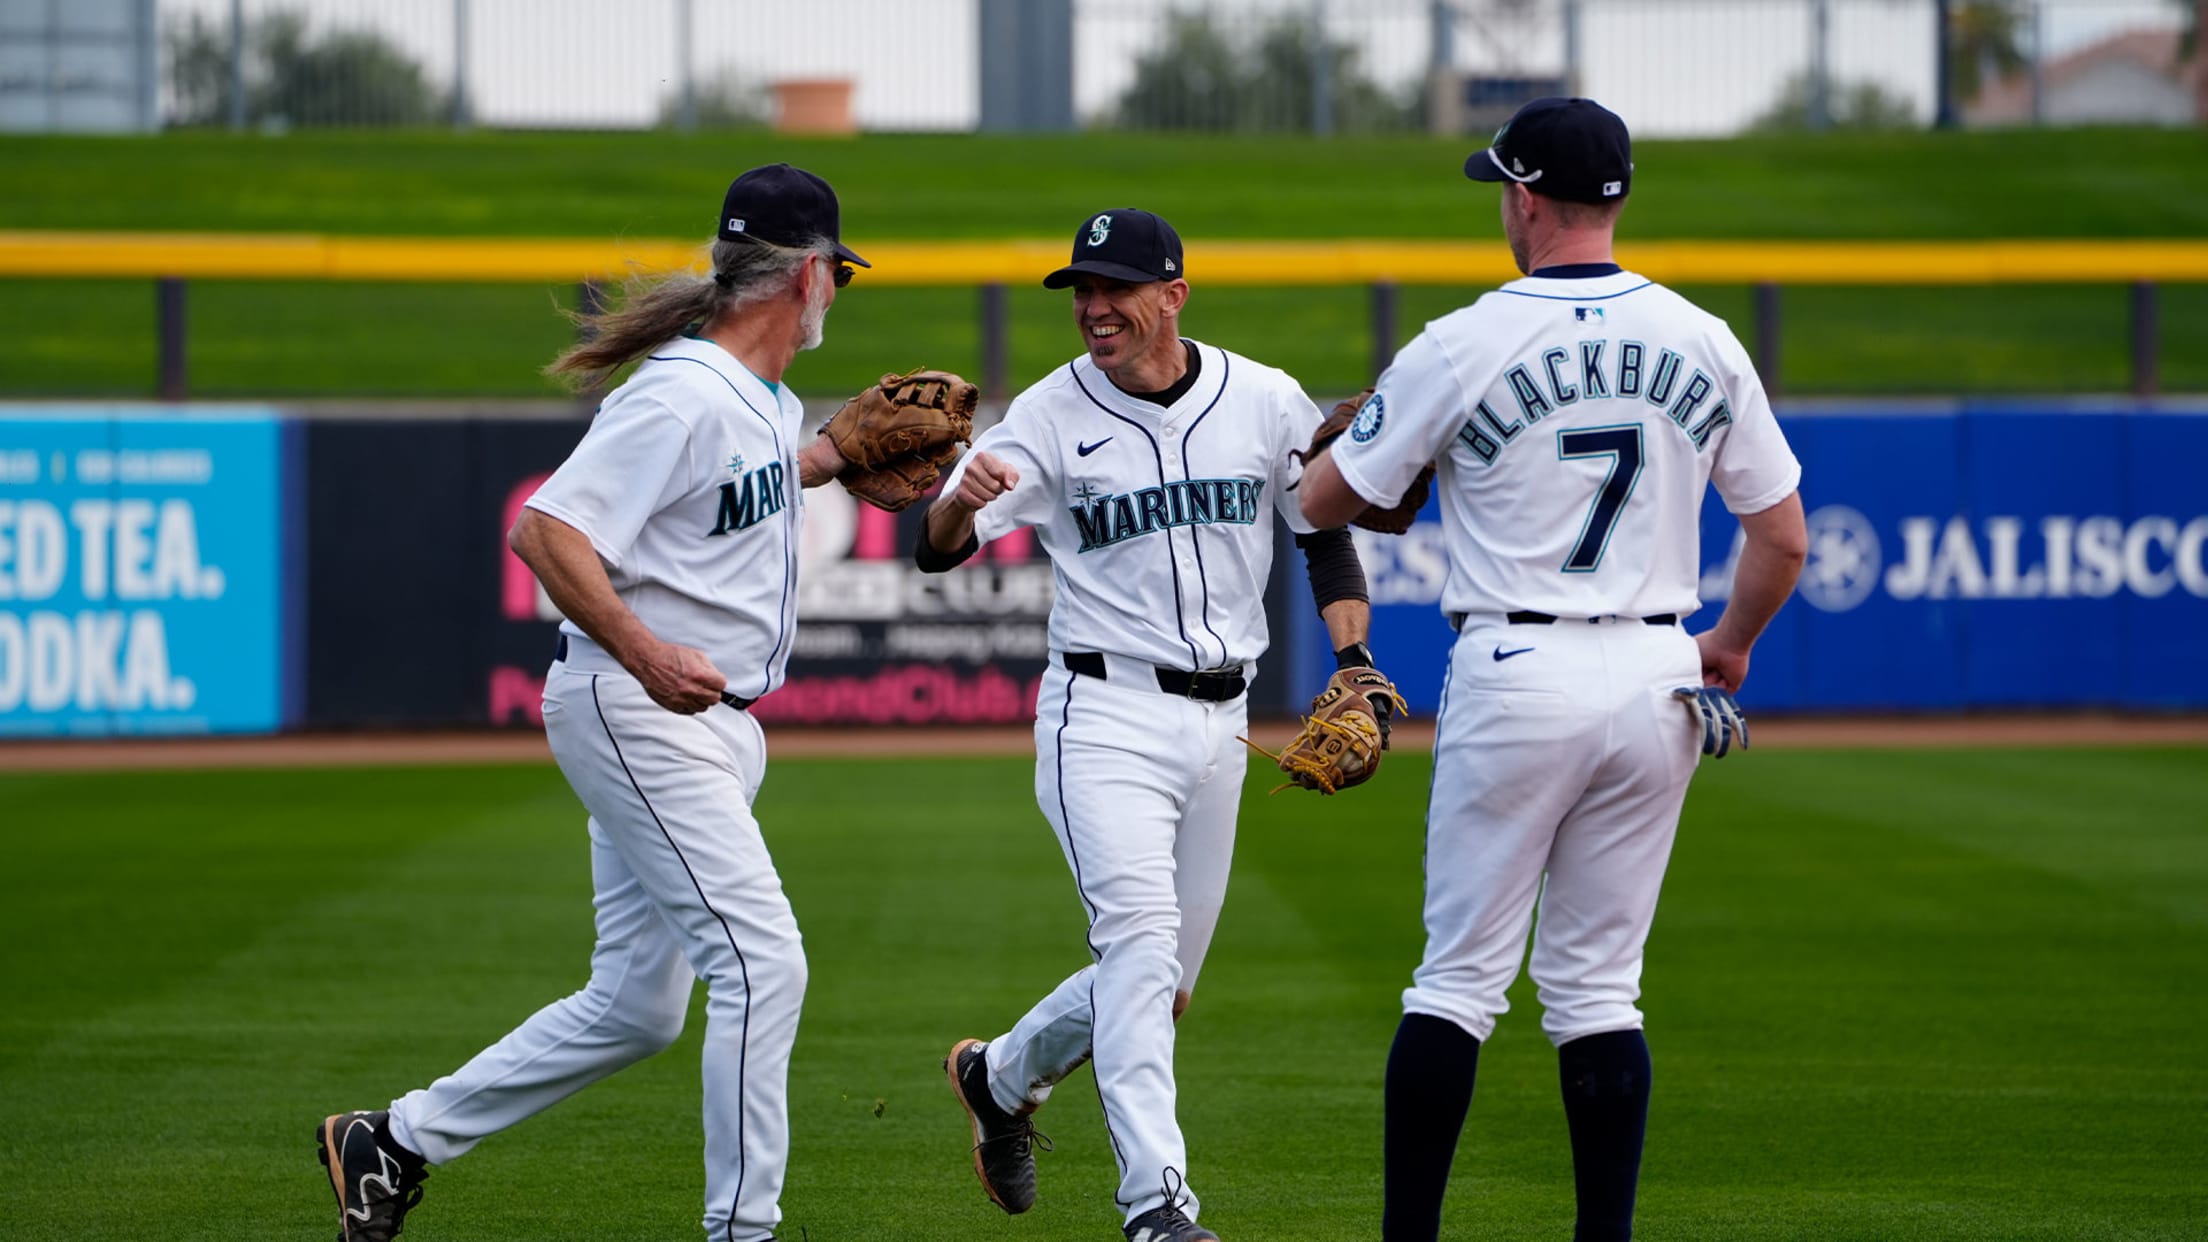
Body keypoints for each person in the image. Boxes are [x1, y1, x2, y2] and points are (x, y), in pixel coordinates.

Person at [314, 163, 871, 1242]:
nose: (836, 293)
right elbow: (545, 532)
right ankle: (743, 1232)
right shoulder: (678, 388)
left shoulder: (761, 399)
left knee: (636, 1007)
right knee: (763, 964)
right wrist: (648, 649)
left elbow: (723, 486)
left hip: (700, 725)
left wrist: (825, 458)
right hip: (642, 707)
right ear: (805, 276)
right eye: (836, 274)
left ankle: (397, 1141)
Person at [1298, 98, 1809, 1241]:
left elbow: (1322, 501)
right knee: (1596, 990)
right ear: (1617, 199)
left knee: (1459, 984)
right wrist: (1726, 647)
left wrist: (1353, 452)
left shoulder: (1466, 339)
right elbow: (1783, 540)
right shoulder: (1703, 337)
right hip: (1660, 669)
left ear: (1525, 199)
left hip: (1518, 663)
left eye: (1501, 188)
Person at [922, 208, 1390, 1242]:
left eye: (1115, 288)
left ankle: (999, 1079)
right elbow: (939, 547)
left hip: (1223, 726)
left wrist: (1354, 661)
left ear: (1173, 295)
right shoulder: (1047, 416)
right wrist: (963, 502)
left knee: (1159, 989)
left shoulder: (1263, 399)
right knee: (1137, 952)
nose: (1093, 308)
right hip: (1103, 713)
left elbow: (1322, 537)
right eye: (1081, 290)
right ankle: (1157, 1208)